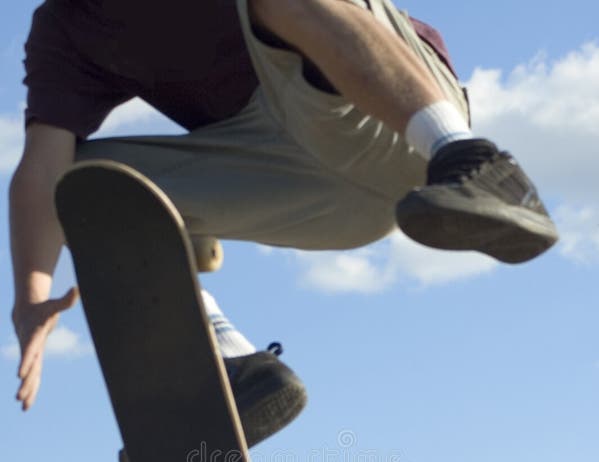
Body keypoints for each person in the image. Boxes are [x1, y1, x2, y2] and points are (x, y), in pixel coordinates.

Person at [9, 0, 558, 436]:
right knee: (92, 185)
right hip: (308, 185)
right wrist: (31, 300)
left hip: (386, 110)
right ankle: (235, 367)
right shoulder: (65, 29)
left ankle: (473, 160)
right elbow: (40, 169)